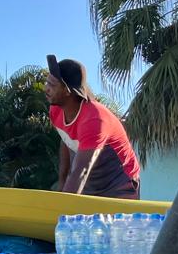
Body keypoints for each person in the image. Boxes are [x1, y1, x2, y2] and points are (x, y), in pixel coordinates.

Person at [44, 54, 140, 199]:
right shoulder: (56, 110)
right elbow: (65, 140)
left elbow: (81, 171)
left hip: (120, 183)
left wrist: (60, 209)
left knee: (114, 222)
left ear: (67, 91)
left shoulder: (94, 119)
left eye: (52, 85)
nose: (46, 88)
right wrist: (62, 183)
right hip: (91, 181)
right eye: (47, 82)